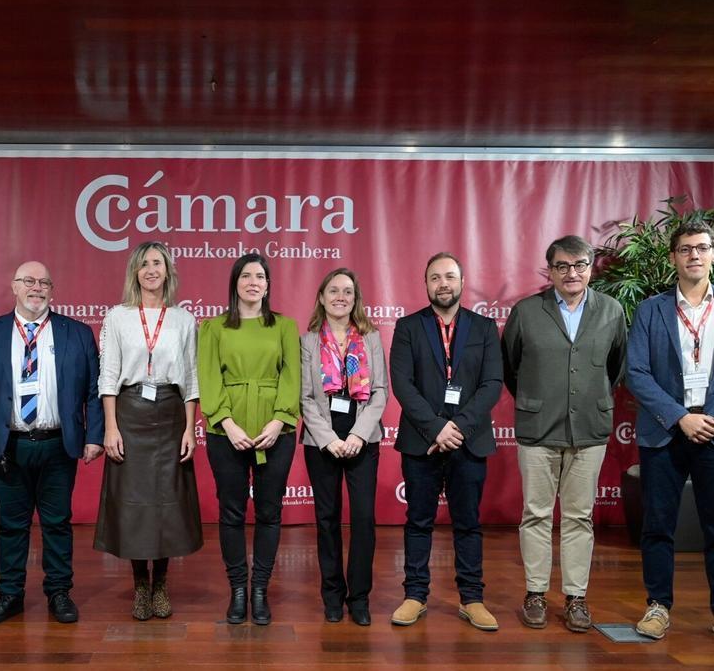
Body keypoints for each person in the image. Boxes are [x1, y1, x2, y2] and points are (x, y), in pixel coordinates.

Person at [626, 220, 714, 650]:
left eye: (702, 248)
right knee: (657, 527)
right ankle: (657, 606)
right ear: (673, 257)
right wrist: (679, 418)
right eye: (686, 249)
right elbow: (637, 372)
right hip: (665, 432)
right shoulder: (650, 310)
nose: (694, 255)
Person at [0, 261, 105, 626]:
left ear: (52, 290)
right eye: (28, 281)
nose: (36, 288)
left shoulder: (78, 333)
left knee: (57, 523)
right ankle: (10, 594)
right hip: (9, 445)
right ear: (14, 287)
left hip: (58, 444)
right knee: (11, 526)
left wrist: (94, 436)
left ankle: (59, 592)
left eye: (43, 282)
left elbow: (94, 392)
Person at [501, 235, 627, 632]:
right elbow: (510, 368)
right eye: (562, 266)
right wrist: (539, 400)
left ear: (590, 268)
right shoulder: (526, 312)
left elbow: (616, 368)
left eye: (579, 265)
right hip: (538, 427)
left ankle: (576, 598)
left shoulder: (612, 310)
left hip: (589, 429)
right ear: (550, 271)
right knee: (536, 514)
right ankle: (535, 593)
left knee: (579, 517)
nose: (571, 273)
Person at [388, 252, 503, 630]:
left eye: (449, 276)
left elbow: (492, 384)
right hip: (421, 440)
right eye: (435, 277)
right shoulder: (408, 327)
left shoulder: (485, 327)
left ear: (462, 282)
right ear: (425, 284)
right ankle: (414, 595)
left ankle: (472, 598)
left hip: (469, 441)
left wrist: (458, 428)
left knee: (468, 522)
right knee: (418, 521)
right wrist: (436, 427)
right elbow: (403, 384)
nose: (443, 284)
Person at [94, 242, 202, 621]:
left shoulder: (184, 319)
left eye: (157, 263)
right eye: (144, 264)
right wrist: (111, 426)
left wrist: (190, 428)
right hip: (130, 412)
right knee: (134, 503)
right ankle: (140, 584)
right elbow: (108, 375)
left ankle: (161, 584)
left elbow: (191, 377)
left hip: (171, 414)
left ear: (168, 271)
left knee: (167, 502)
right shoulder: (117, 317)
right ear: (135, 273)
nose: (151, 270)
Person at [197, 253, 300, 626]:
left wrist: (279, 420)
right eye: (246, 276)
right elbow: (208, 377)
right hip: (226, 432)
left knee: (270, 512)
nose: (253, 282)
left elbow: (292, 375)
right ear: (235, 283)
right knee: (232, 512)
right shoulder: (213, 327)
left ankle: (260, 590)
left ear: (268, 285)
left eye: (260, 276)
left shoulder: (285, 326)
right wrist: (227, 423)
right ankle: (238, 589)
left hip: (277, 431)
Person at [299, 267, 387, 627]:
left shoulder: (371, 338)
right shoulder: (308, 341)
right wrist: (330, 438)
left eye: (347, 291)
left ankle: (359, 597)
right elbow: (304, 397)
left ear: (356, 298)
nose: (340, 297)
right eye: (333, 290)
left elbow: (380, 391)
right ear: (322, 297)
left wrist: (358, 435)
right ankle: (332, 595)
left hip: (362, 437)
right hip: (322, 440)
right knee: (327, 519)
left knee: (363, 519)